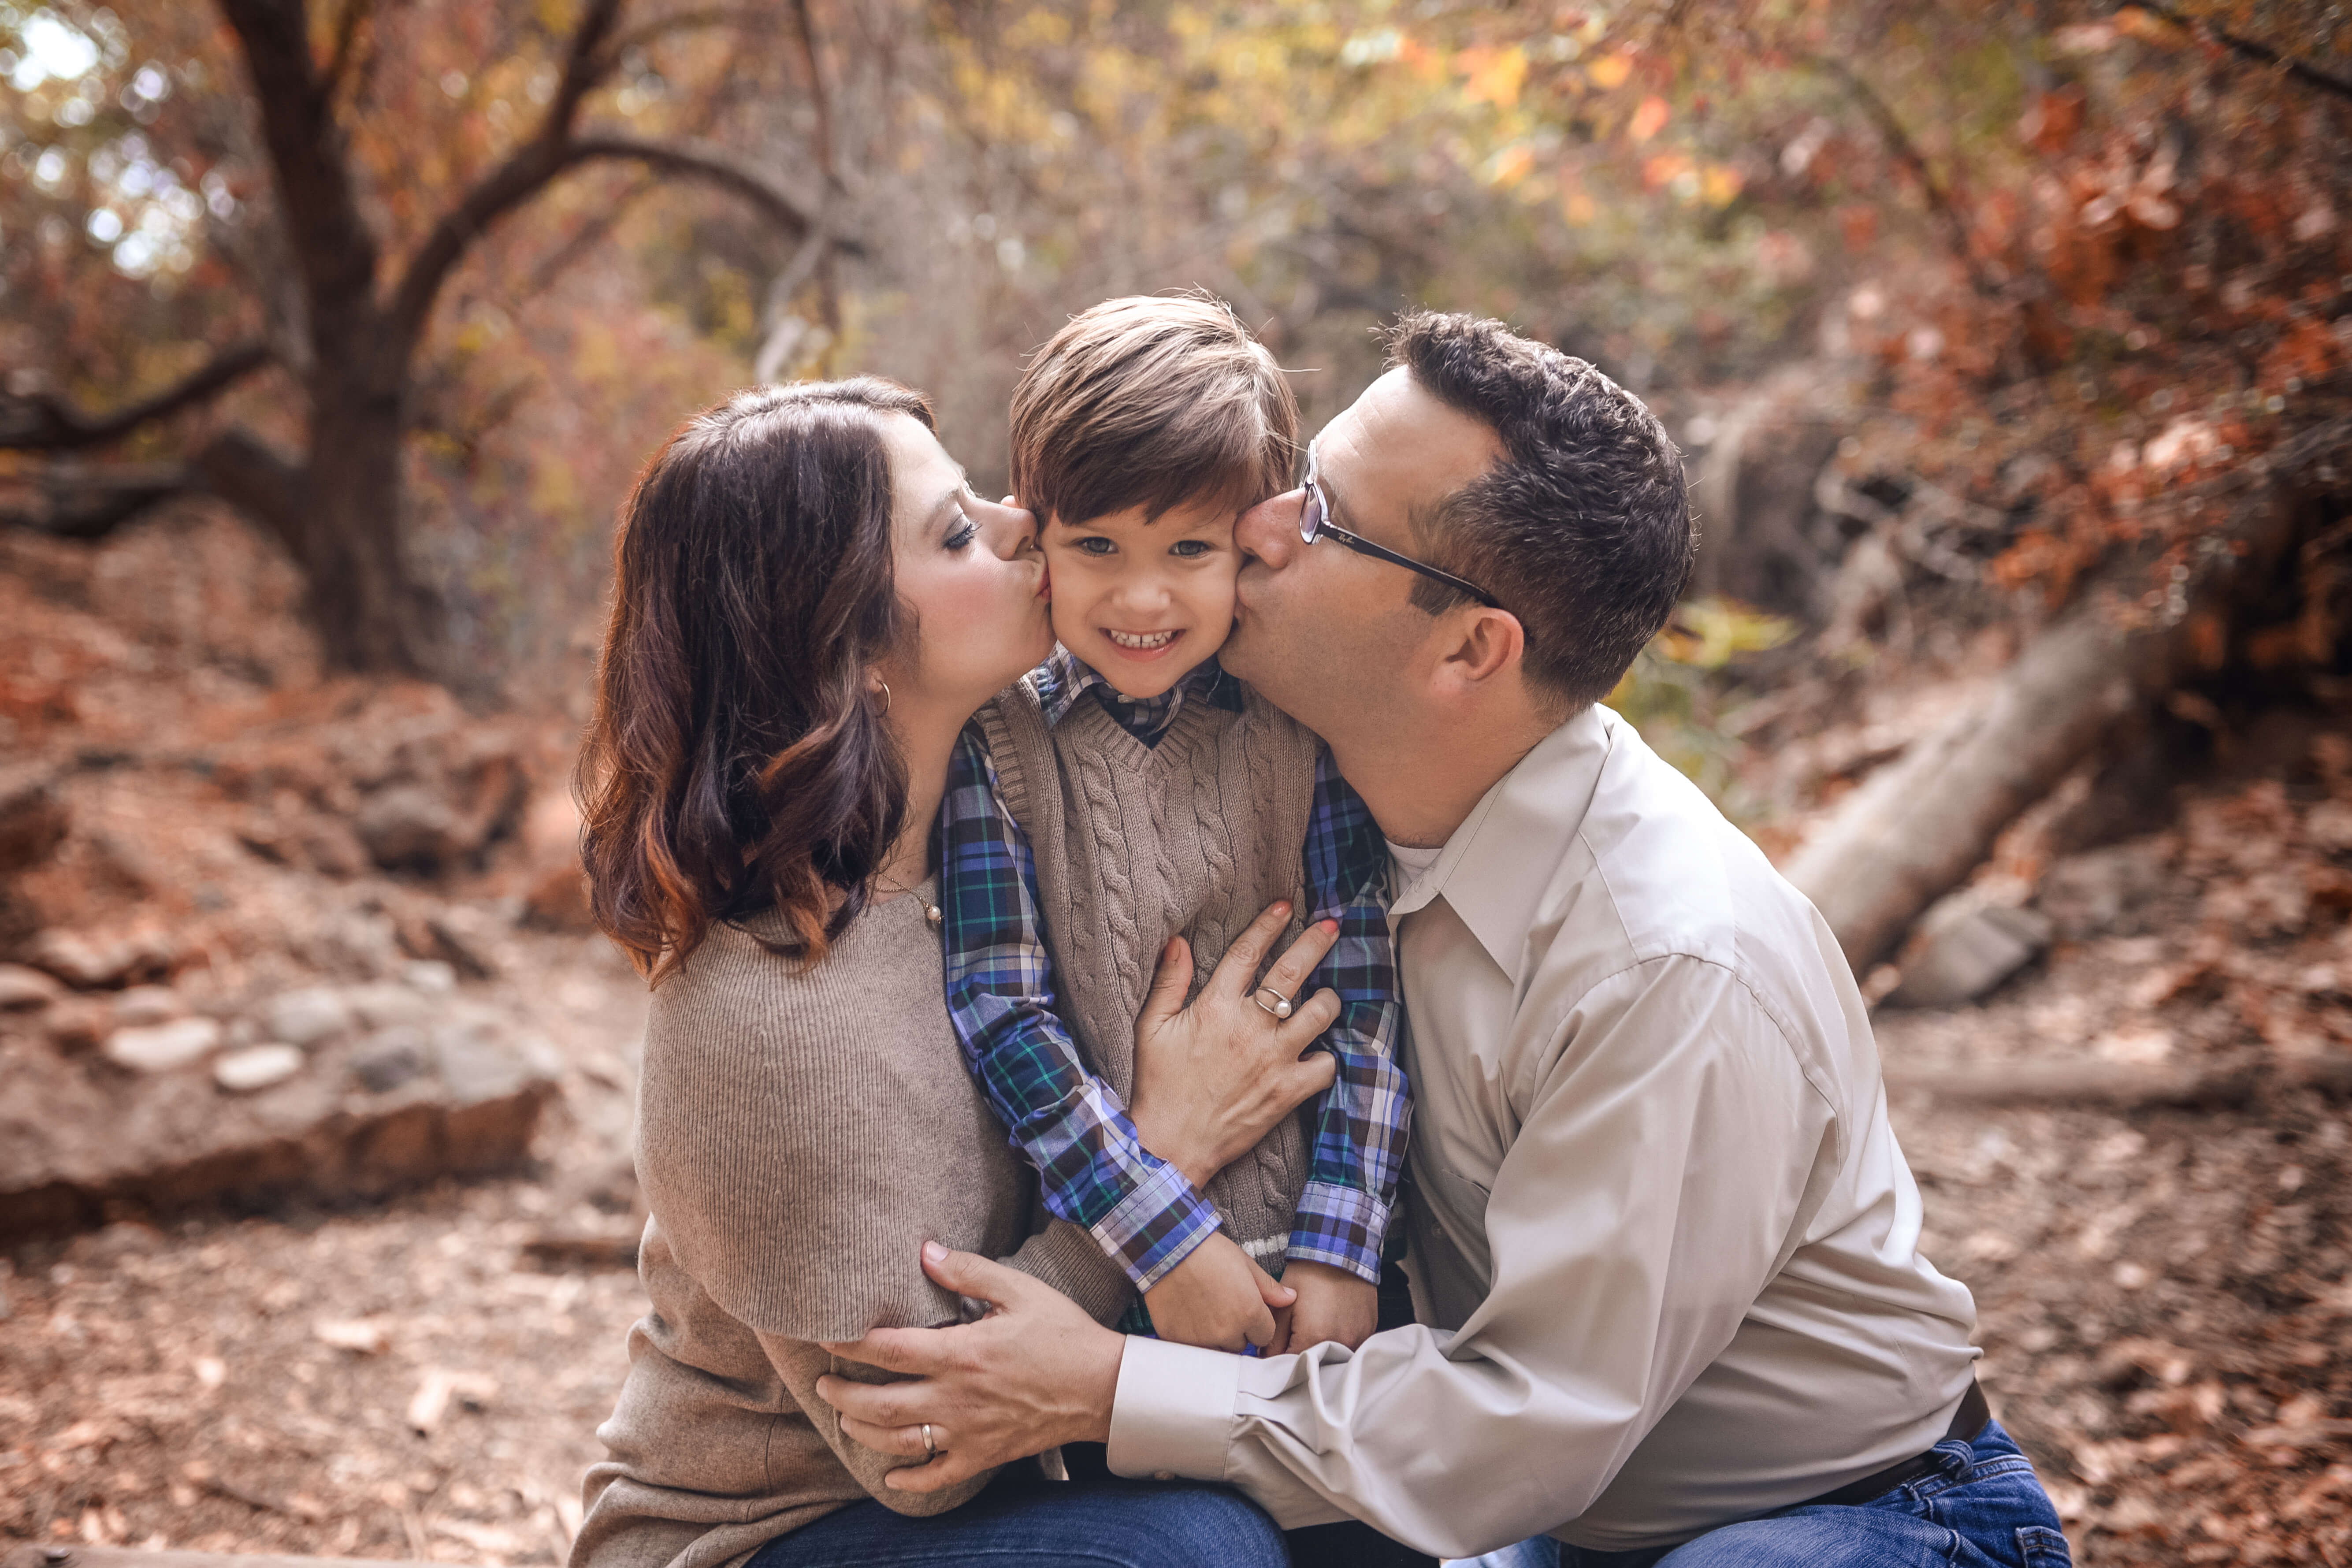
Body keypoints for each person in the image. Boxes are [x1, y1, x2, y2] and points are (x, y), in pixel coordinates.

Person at [807, 316, 2077, 1568]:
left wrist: (1105, 1386)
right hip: (1541, 1508)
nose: (1257, 521)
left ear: (1472, 646)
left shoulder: (1665, 964)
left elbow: (1528, 1419)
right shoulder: (1336, 799)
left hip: (1858, 1513)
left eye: (1322, 513)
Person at [567, 379, 1344, 1568]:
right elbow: (917, 1443)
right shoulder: (768, 1011)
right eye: (954, 529)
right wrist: (1163, 1161)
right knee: (1195, 1550)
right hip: (768, 1528)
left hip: (1012, 1476)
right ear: (847, 641)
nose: (1023, 520)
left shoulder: (988, 843)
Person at [941, 293, 1408, 1360]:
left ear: (1251, 537)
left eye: (1188, 549)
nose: (1140, 597)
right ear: (1034, 532)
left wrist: (1343, 1248)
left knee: (1358, 1529)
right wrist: (1164, 1240)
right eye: (1096, 545)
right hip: (1130, 1288)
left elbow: (1370, 1000)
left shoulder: (1301, 730)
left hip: (1324, 1277)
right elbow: (1004, 1015)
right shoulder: (998, 744)